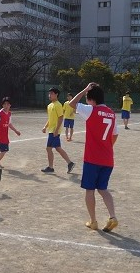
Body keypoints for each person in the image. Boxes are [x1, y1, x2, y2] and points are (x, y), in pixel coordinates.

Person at [69, 82, 119, 232]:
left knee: (89, 190)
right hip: (108, 158)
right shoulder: (111, 113)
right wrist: (106, 148)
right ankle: (113, 216)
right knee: (103, 189)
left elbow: (72, 103)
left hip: (92, 159)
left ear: (92, 99)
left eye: (88, 98)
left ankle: (93, 221)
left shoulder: (91, 110)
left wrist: (85, 89)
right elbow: (115, 135)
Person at [41, 87, 75, 173]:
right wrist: (45, 127)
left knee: (49, 148)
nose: (50, 95)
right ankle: (69, 163)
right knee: (56, 148)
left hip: (54, 131)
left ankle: (51, 167)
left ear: (56, 95)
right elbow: (50, 119)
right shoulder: (49, 106)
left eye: (52, 93)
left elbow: (60, 118)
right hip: (51, 130)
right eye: (49, 93)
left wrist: (56, 130)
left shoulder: (58, 105)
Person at [0, 97, 21, 168]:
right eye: (4, 104)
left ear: (10, 105)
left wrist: (16, 131)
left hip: (5, 135)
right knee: (4, 150)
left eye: (8, 104)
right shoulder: (0, 114)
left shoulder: (9, 113)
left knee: (2, 149)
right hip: (0, 135)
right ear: (2, 105)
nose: (6, 106)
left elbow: (9, 124)